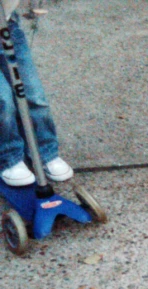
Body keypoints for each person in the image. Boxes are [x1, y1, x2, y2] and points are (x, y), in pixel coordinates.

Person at [1, 0, 73, 187]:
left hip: (6, 24)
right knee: (3, 102)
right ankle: (9, 156)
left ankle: (44, 150)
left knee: (33, 95)